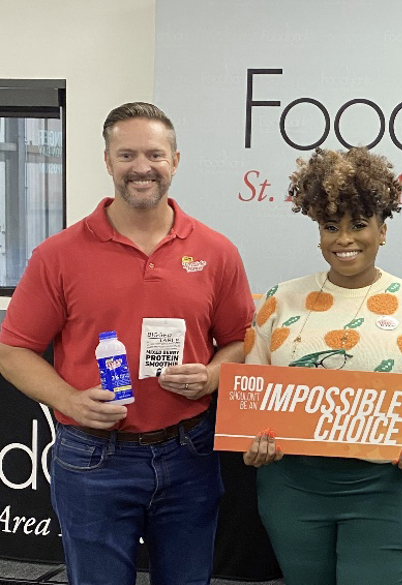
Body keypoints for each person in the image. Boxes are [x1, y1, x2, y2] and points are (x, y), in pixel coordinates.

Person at [0, 102, 255, 584]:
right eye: (127, 155)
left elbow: (241, 340)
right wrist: (69, 399)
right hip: (93, 457)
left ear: (175, 161)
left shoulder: (216, 252)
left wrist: (213, 376)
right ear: (107, 160)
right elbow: (11, 350)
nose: (142, 167)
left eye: (155, 155)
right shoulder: (58, 255)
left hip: (190, 454)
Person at [241, 146, 402, 585]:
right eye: (330, 227)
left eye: (359, 225)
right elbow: (252, 400)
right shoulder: (279, 300)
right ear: (317, 232)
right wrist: (253, 441)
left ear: (382, 231)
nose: (344, 240)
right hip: (292, 488)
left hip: (386, 490)